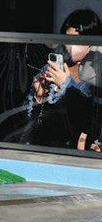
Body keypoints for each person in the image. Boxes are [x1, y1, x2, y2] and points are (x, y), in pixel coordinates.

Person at [23, 8, 100, 149]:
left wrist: (67, 84)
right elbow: (27, 119)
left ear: (92, 42)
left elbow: (90, 119)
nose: (71, 46)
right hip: (46, 147)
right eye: (67, 39)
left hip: (80, 152)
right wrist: (38, 97)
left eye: (78, 40)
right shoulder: (51, 69)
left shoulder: (96, 75)